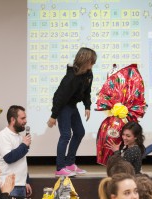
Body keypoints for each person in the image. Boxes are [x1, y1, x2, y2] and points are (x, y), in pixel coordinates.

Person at [47, 47, 97, 176]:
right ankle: (60, 168)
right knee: (65, 135)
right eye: (91, 62)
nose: (92, 65)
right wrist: (54, 115)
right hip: (63, 106)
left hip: (72, 105)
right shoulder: (71, 77)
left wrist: (87, 106)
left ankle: (69, 163)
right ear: (84, 60)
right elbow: (59, 97)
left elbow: (87, 92)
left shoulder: (88, 73)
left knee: (79, 132)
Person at [0, 105, 32, 198]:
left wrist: (26, 181)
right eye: (22, 118)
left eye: (25, 118)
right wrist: (24, 145)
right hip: (8, 186)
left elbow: (22, 161)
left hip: (20, 185)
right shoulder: (3, 136)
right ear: (13, 120)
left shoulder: (19, 137)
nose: (25, 121)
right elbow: (9, 158)